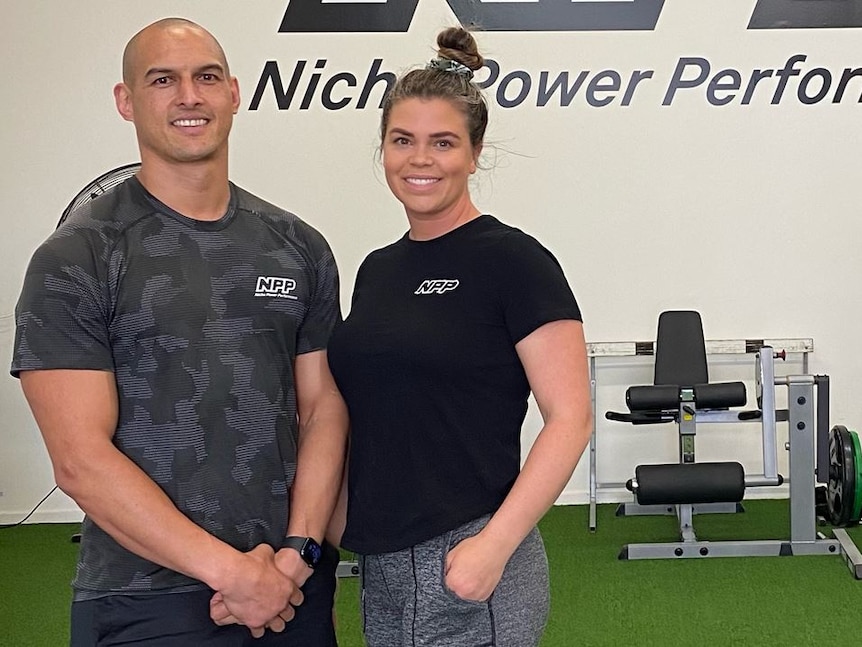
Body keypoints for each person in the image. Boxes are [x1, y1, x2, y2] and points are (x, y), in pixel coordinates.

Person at [11, 17, 347, 646]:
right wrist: (232, 574)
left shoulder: (298, 247)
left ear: (234, 93)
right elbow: (80, 460)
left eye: (206, 78)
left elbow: (322, 406)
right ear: (126, 101)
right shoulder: (77, 255)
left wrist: (298, 553)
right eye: (163, 80)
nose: (189, 96)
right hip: (144, 600)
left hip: (290, 585)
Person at [326, 26, 593, 647]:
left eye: (442, 143)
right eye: (403, 141)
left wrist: (492, 548)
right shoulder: (378, 269)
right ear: (384, 150)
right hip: (381, 560)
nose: (420, 160)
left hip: (467, 551)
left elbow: (571, 417)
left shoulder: (515, 262)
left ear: (474, 154)